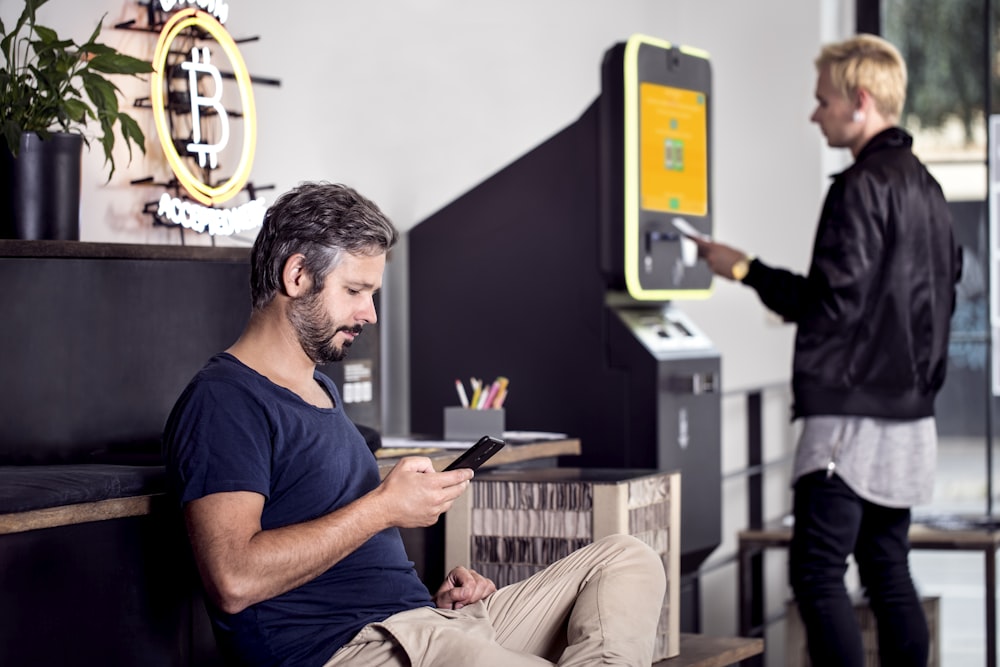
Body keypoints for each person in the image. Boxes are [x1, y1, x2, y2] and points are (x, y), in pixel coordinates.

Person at [162, 181, 666, 667]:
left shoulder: (320, 390)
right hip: (352, 651)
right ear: (297, 276)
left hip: (425, 626)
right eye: (356, 290)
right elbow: (233, 579)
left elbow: (349, 561)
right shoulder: (225, 400)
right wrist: (384, 508)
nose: (371, 313)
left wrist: (437, 600)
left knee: (627, 558)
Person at [692, 35, 960, 667]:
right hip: (911, 417)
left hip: (851, 420)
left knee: (816, 574)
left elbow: (833, 303)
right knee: (888, 570)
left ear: (859, 101)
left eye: (822, 102)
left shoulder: (860, 187)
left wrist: (744, 269)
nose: (815, 116)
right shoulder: (929, 191)